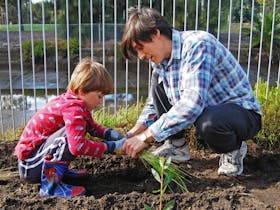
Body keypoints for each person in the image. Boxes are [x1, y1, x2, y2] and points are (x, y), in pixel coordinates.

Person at [121, 7, 262, 176]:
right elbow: (154, 102)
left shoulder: (198, 45)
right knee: (157, 84)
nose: (142, 56)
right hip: (206, 111)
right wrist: (135, 132)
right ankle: (177, 146)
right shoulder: (160, 60)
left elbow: (192, 104)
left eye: (141, 47)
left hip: (241, 115)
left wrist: (146, 137)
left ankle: (233, 149)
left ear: (156, 34)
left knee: (208, 122)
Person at [15, 58, 127, 198]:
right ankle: (50, 187)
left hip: (35, 160)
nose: (101, 102)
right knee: (70, 138)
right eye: (99, 96)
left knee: (75, 131)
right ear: (82, 91)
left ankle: (58, 174)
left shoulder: (74, 102)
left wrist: (109, 133)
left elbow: (90, 126)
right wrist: (110, 147)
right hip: (30, 166)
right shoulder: (73, 109)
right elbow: (77, 146)